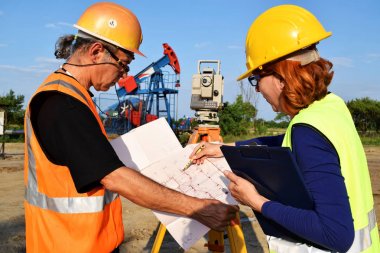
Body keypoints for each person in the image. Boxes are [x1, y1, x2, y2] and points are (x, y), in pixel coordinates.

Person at [23, 2, 239, 252]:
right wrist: (198, 208)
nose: (124, 75)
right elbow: (115, 177)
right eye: (123, 64)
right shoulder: (62, 104)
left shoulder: (72, 96)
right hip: (68, 244)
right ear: (96, 52)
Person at [190, 4, 380, 253]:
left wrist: (256, 201)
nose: (257, 89)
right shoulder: (331, 107)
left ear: (281, 76)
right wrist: (227, 148)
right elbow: (291, 141)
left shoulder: (307, 131)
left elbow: (335, 235)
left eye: (256, 80)